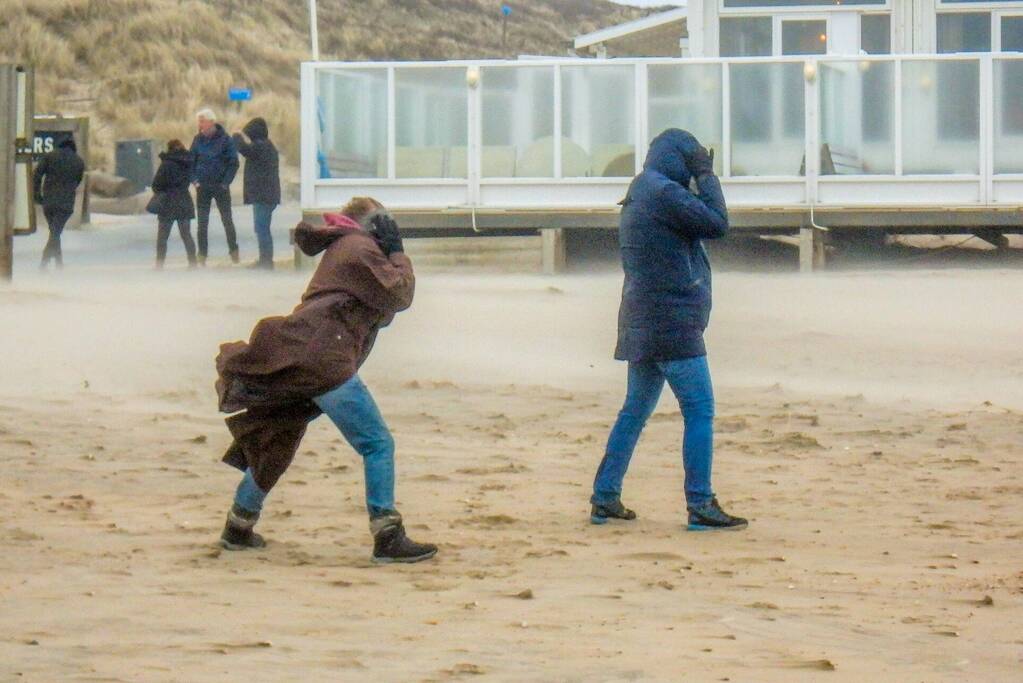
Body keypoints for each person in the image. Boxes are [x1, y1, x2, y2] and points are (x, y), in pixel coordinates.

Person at [214, 197, 437, 563]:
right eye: (388, 225)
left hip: (301, 354)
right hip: (324, 359)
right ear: (375, 225)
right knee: (377, 443)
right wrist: (398, 252)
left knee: (279, 436)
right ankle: (387, 534)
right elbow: (401, 293)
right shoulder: (360, 248)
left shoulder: (344, 246)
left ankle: (238, 525)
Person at [590, 128, 747, 532]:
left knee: (635, 411)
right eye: (693, 158)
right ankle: (701, 503)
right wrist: (708, 176)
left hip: (641, 319)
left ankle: (605, 496)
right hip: (672, 320)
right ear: (680, 158)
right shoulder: (665, 194)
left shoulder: (642, 190)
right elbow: (717, 222)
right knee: (700, 410)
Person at [189, 108, 240, 265]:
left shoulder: (225, 140)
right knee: (202, 223)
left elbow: (234, 163)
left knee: (227, 220)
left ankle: (234, 251)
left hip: (220, 186)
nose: (200, 124)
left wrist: (226, 183)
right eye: (199, 121)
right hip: (202, 186)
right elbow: (190, 161)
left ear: (211, 122)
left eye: (202, 121)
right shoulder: (197, 140)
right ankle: (202, 255)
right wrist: (194, 180)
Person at [232, 117, 280, 269]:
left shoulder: (261, 146)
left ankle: (266, 262)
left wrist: (236, 136)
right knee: (262, 228)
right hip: (267, 195)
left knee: (262, 229)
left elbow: (244, 149)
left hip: (263, 195)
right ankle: (265, 260)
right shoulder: (267, 145)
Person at [33, 137, 85, 270]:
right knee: (55, 232)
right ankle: (44, 262)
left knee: (54, 231)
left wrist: (37, 194)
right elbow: (78, 181)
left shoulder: (50, 156)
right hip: (66, 204)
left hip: (48, 202)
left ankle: (58, 263)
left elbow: (37, 175)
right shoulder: (78, 161)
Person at [150, 140, 197, 268]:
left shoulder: (166, 164)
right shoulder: (188, 163)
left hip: (168, 202)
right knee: (186, 235)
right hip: (184, 200)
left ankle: (159, 264)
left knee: (163, 237)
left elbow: (156, 185)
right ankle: (193, 263)